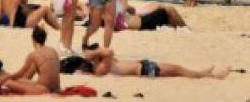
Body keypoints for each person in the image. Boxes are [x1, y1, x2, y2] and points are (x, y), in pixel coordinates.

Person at [81, 44, 229, 79]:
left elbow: (109, 53)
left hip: (144, 67)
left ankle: (205, 74)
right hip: (145, 70)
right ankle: (212, 76)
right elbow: (109, 51)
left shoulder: (104, 64)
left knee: (178, 69)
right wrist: (91, 53)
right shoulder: (101, 68)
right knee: (178, 70)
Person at [2, 26, 60, 94]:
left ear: (33, 39)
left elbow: (20, 73)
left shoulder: (34, 55)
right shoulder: (53, 51)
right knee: (21, 80)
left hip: (43, 89)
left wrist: (7, 77)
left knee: (8, 83)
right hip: (57, 88)